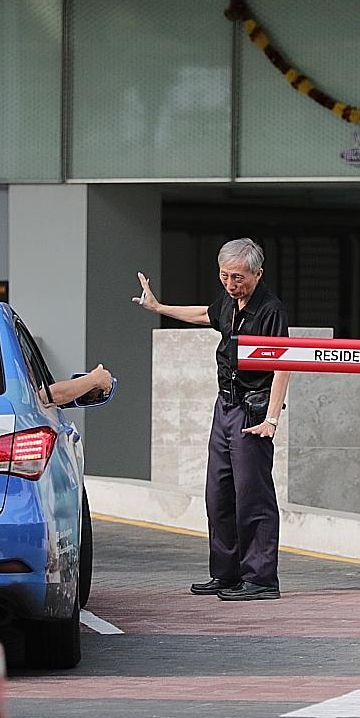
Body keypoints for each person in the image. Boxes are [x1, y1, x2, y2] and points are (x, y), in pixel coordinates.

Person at [133, 238, 291, 601]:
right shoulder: (230, 302)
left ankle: (260, 579)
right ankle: (227, 574)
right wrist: (158, 307)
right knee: (218, 494)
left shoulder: (271, 310)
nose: (231, 284)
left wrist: (271, 419)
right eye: (225, 276)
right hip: (225, 406)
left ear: (257, 274)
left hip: (252, 411)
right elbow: (206, 314)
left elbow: (284, 365)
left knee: (253, 496)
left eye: (238, 277)